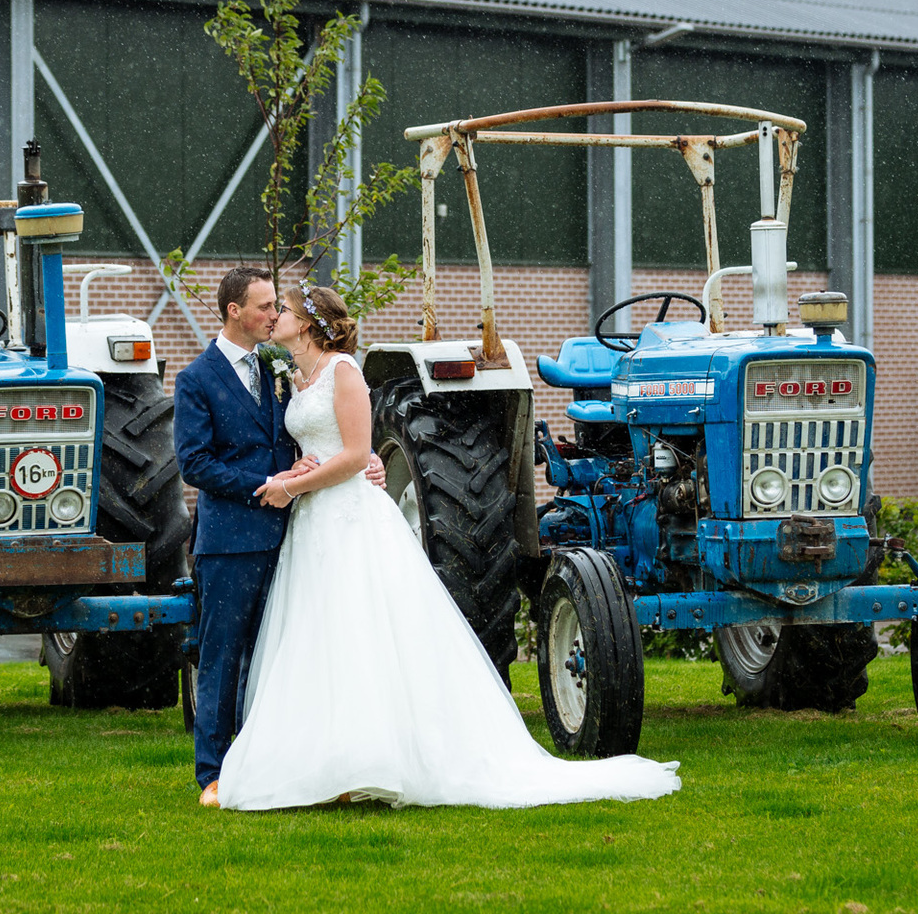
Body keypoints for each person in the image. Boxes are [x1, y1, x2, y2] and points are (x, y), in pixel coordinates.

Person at [216, 284, 682, 810]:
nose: (276, 316)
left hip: (346, 518)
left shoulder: (345, 371)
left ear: (307, 322)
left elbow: (354, 456)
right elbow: (335, 450)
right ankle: (328, 761)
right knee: (321, 637)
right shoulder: (302, 377)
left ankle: (371, 762)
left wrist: (294, 484)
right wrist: (304, 466)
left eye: (285, 310)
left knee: (358, 634)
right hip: (317, 522)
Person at [172, 266, 383, 808]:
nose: (272, 315)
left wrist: (362, 462)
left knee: (280, 657)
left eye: (276, 307)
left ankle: (273, 763)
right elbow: (194, 463)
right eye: (264, 307)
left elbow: (323, 435)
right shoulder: (196, 378)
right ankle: (214, 774)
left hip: (295, 535)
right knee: (224, 655)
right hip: (231, 538)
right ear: (233, 312)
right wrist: (267, 484)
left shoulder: (279, 369)